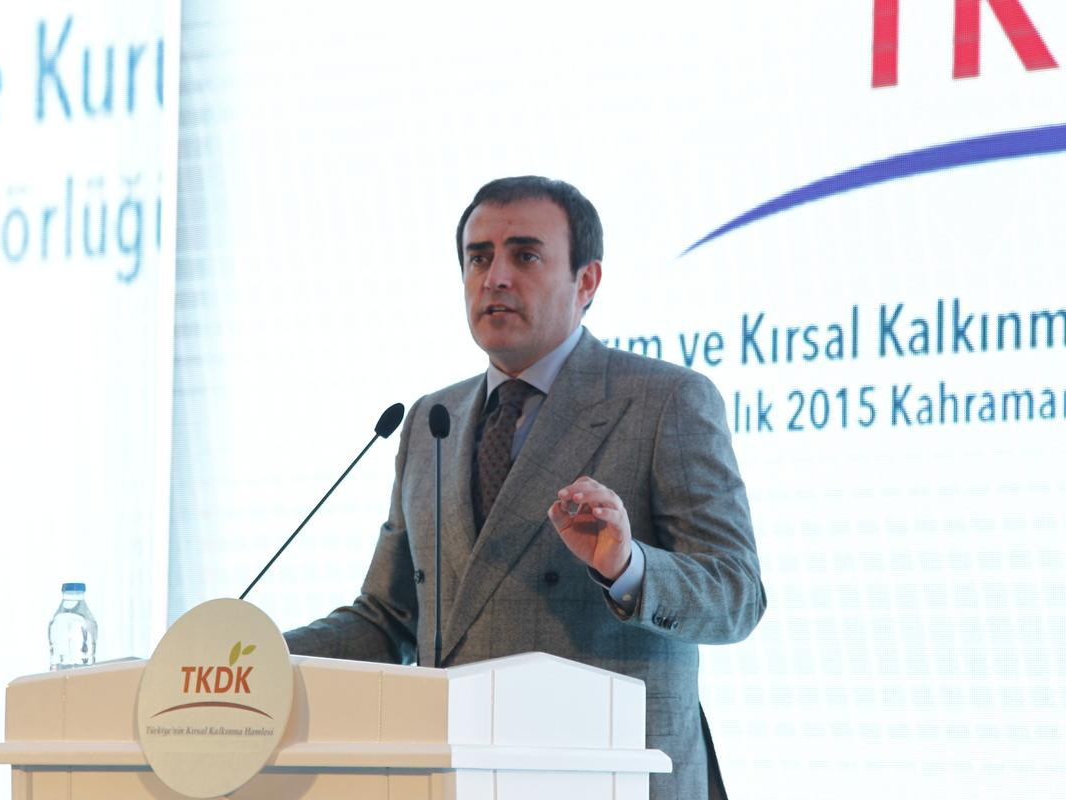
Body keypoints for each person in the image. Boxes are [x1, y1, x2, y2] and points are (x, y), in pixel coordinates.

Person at [285, 176, 765, 800]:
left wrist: (628, 567)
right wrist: (258, 658)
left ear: (586, 282)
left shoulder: (665, 400)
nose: (496, 278)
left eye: (525, 255)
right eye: (478, 258)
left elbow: (736, 594)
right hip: (457, 779)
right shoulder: (432, 420)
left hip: (608, 777)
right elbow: (389, 620)